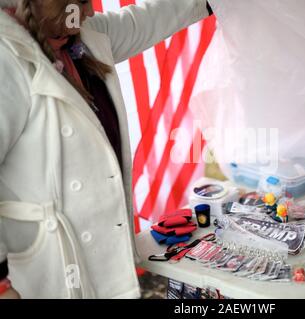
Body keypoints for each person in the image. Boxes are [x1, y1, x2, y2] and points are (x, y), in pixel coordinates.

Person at [0, 0, 213, 299]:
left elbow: (148, 20)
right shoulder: (6, 58)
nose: (88, 12)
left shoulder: (85, 35)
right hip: (44, 273)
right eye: (82, 3)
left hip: (102, 265)